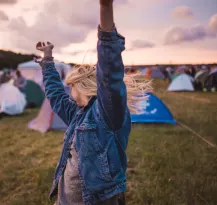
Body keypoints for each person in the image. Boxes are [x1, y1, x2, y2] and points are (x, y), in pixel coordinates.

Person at [36, 0, 151, 204]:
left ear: (81, 86)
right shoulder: (78, 114)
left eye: (70, 86)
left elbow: (109, 73)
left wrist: (105, 9)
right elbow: (55, 95)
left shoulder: (107, 114)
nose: (68, 91)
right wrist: (47, 60)